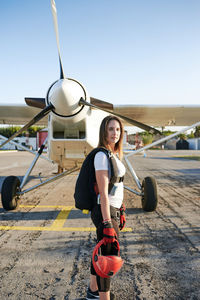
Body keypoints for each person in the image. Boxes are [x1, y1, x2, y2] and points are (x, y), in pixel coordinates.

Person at [86, 115, 126, 300]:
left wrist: (121, 208)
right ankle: (104, 298)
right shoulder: (102, 155)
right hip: (106, 211)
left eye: (117, 129)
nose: (115, 133)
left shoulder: (112, 154)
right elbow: (103, 192)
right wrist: (108, 222)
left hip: (112, 210)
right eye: (111, 129)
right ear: (104, 131)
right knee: (108, 259)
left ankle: (93, 291)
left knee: (101, 253)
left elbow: (115, 186)